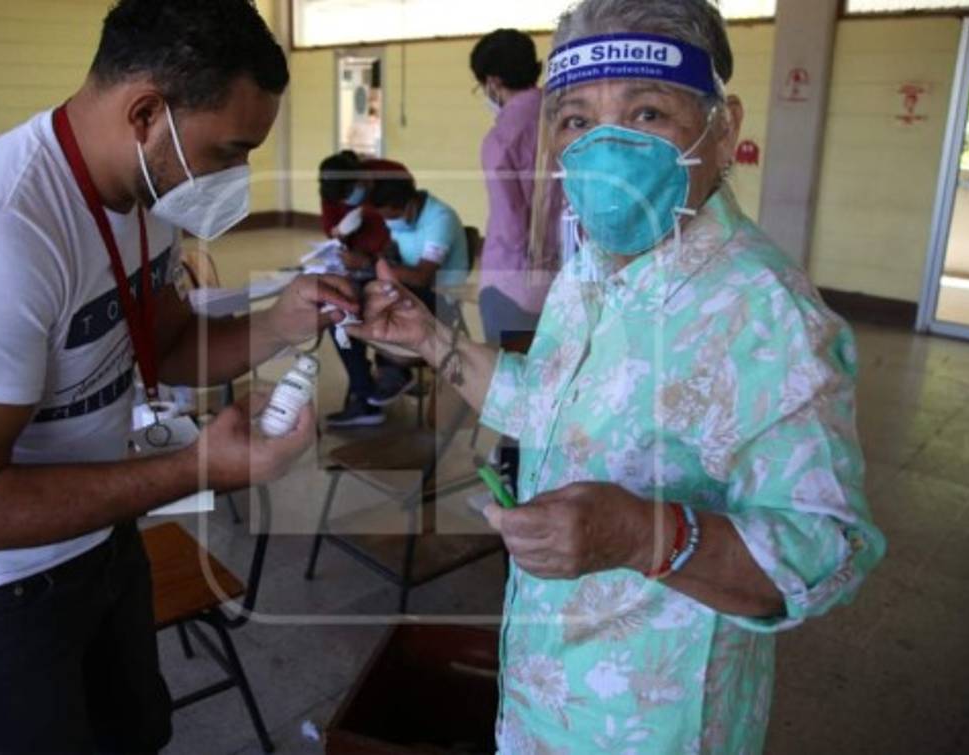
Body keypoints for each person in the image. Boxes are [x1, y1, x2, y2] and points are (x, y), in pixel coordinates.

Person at [348, 0, 885, 751]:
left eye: (647, 111)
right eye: (576, 121)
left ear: (722, 130)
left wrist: (643, 535)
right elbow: (549, 400)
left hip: (650, 724)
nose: (606, 148)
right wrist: (435, 342)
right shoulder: (595, 265)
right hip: (540, 691)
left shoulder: (765, 315)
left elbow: (825, 552)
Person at [0, 1, 358, 752]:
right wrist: (199, 466)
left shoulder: (151, 192)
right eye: (230, 150)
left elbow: (164, 346)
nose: (237, 177)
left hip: (97, 528)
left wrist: (280, 323)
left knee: (135, 730)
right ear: (145, 113)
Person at [470, 28, 553, 497]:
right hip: (569, 284)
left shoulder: (502, 137)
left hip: (515, 288)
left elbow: (510, 224)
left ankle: (516, 491)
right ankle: (550, 481)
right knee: (557, 385)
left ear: (494, 80)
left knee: (513, 390)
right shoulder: (569, 120)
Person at [327, 170, 470, 426]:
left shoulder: (440, 219)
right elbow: (393, 253)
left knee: (356, 309)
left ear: (408, 205)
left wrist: (371, 263)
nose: (387, 222)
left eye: (389, 216)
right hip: (408, 292)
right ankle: (370, 391)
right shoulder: (399, 215)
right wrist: (371, 258)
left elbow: (422, 276)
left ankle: (385, 380)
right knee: (342, 307)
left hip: (439, 302)